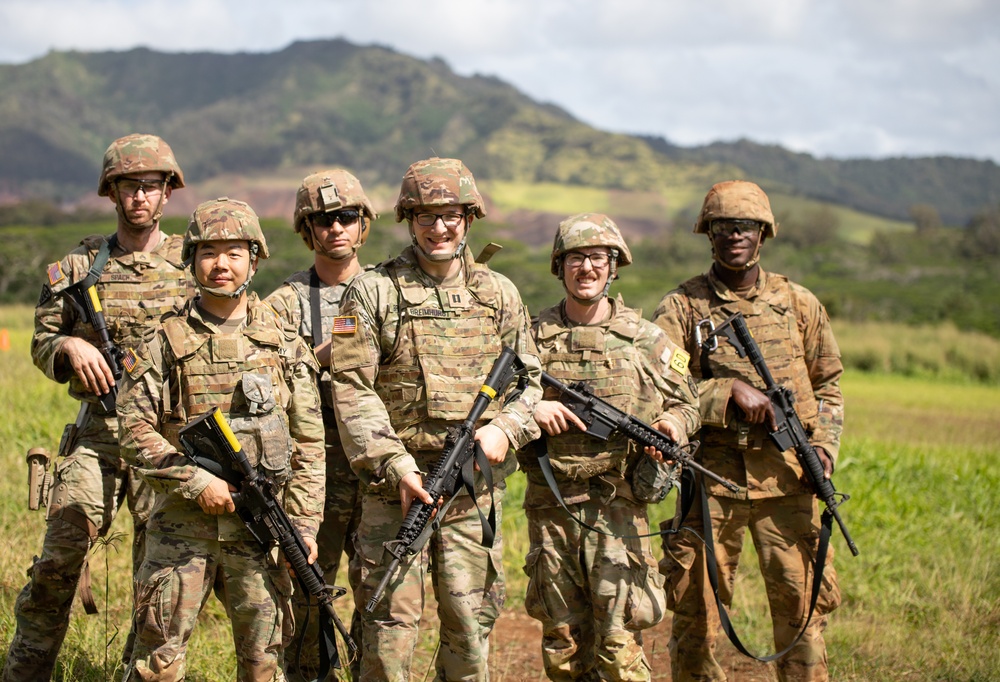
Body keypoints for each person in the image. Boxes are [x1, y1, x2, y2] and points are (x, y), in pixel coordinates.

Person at [328, 157, 542, 681]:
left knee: (469, 633)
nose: (438, 227)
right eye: (425, 216)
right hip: (396, 493)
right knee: (386, 635)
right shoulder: (372, 291)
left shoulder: (498, 293)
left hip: (471, 490)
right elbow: (351, 387)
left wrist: (503, 428)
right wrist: (396, 465)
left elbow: (531, 381)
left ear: (469, 216)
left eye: (450, 215)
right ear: (408, 219)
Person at [3, 133, 192, 681]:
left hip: (165, 439)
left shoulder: (192, 264)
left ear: (167, 193)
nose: (139, 197)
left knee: (160, 583)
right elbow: (41, 342)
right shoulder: (79, 267)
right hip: (100, 435)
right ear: (111, 193)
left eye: (150, 187)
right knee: (58, 563)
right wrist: (68, 345)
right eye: (128, 187)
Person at [116, 197, 326, 680]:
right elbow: (133, 430)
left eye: (234, 252)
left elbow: (310, 444)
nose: (221, 264)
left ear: (254, 259)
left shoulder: (282, 343)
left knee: (263, 663)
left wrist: (306, 526)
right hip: (179, 530)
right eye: (209, 252)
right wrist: (195, 481)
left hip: (261, 532)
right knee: (156, 663)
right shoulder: (161, 341)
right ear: (192, 259)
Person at [652, 180, 843, 681]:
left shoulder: (799, 304)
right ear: (707, 234)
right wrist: (724, 391)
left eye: (745, 227)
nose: (734, 235)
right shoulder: (682, 308)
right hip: (710, 481)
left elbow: (829, 386)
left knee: (802, 610)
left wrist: (823, 445)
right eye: (722, 227)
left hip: (788, 478)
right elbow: (656, 388)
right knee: (697, 613)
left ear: (763, 234)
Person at [518, 213, 701, 680]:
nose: (587, 268)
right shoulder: (530, 340)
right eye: (576, 258)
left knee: (619, 647)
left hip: (619, 509)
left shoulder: (649, 340)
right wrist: (531, 410)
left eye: (598, 258)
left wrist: (670, 425)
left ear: (614, 266)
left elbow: (688, 403)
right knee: (562, 647)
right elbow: (496, 398)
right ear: (560, 266)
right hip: (551, 509)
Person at [265, 169, 376, 680]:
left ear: (363, 224)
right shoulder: (283, 304)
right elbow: (265, 380)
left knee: (385, 589)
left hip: (376, 461)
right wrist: (323, 355)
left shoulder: (387, 291)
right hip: (316, 467)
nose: (335, 228)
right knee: (310, 588)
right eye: (322, 220)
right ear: (307, 231)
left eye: (345, 217)